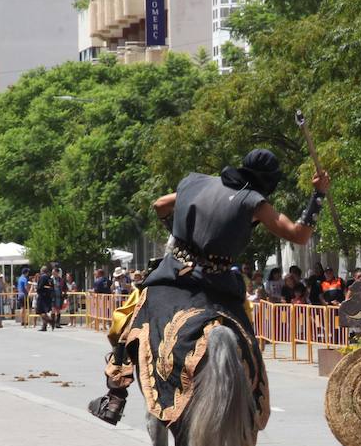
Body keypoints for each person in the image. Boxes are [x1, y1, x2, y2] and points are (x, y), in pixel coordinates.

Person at [95, 148, 328, 425]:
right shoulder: (255, 202)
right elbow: (299, 235)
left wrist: (180, 231)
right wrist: (318, 194)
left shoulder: (199, 184)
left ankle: (115, 396)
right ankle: (252, 396)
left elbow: (159, 205)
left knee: (129, 317)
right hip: (219, 282)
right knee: (246, 332)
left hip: (175, 271)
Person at [35, 267, 55, 332]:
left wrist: (37, 289)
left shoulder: (43, 277)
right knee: (44, 312)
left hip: (42, 297)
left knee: (40, 311)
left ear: (42, 271)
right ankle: (44, 326)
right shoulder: (49, 278)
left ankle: (50, 321)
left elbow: (40, 287)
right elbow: (52, 287)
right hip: (48, 297)